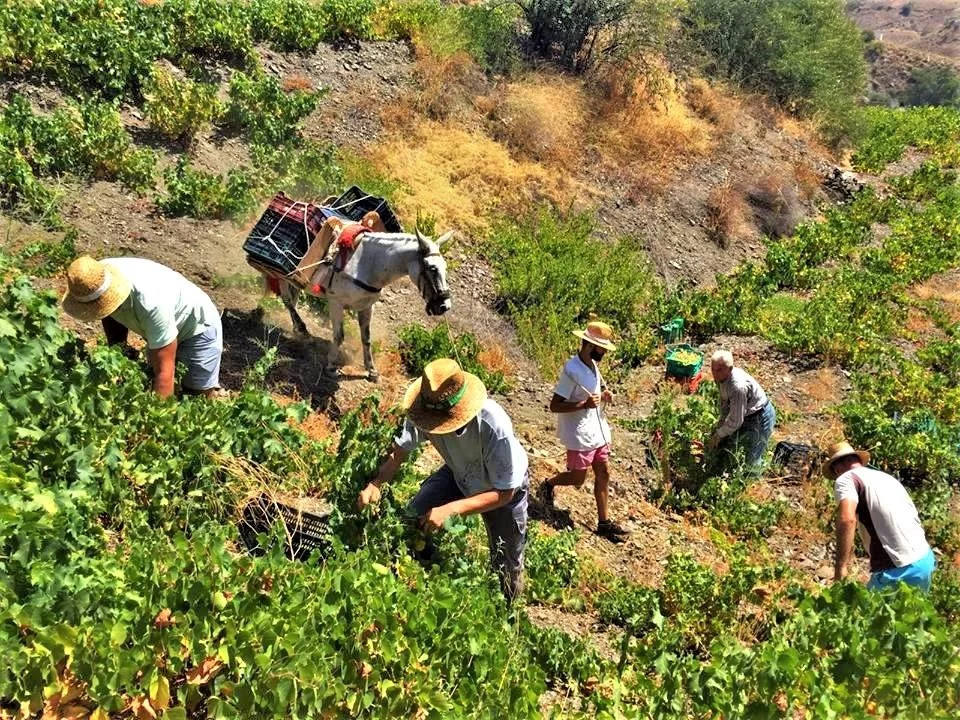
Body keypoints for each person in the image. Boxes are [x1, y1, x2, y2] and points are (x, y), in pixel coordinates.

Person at [357, 358, 529, 600]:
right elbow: (397, 454)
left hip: (502, 488)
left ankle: (506, 612)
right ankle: (420, 569)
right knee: (414, 516)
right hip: (460, 473)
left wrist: (449, 509)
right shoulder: (423, 410)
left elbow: (505, 493)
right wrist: (376, 483)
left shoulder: (493, 425)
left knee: (506, 565)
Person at [61, 256, 223, 398]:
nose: (98, 309)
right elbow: (107, 310)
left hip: (197, 328)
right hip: (161, 322)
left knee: (195, 396)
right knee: (154, 380)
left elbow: (164, 372)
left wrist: (154, 424)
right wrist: (119, 349)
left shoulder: (150, 303)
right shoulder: (92, 279)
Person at [540, 321, 627, 543]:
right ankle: (549, 484)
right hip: (579, 433)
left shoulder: (592, 366)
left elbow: (593, 392)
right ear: (590, 345)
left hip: (596, 429)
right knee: (578, 478)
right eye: (602, 348)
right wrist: (583, 405)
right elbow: (555, 405)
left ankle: (604, 523)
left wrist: (604, 395)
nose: (605, 352)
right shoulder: (571, 370)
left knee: (603, 472)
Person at [823, 442, 935, 591]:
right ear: (857, 460)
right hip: (924, 559)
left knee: (860, 613)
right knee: (908, 613)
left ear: (837, 468)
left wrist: (841, 568)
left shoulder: (846, 479)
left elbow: (847, 519)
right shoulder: (886, 478)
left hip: (897, 566)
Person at [706, 350, 775, 473]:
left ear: (730, 368)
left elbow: (736, 420)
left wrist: (718, 435)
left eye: (719, 370)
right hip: (746, 413)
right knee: (732, 445)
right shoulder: (722, 378)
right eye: (713, 368)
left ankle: (752, 486)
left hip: (759, 417)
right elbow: (725, 405)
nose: (715, 373)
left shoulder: (738, 387)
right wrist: (721, 424)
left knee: (752, 459)